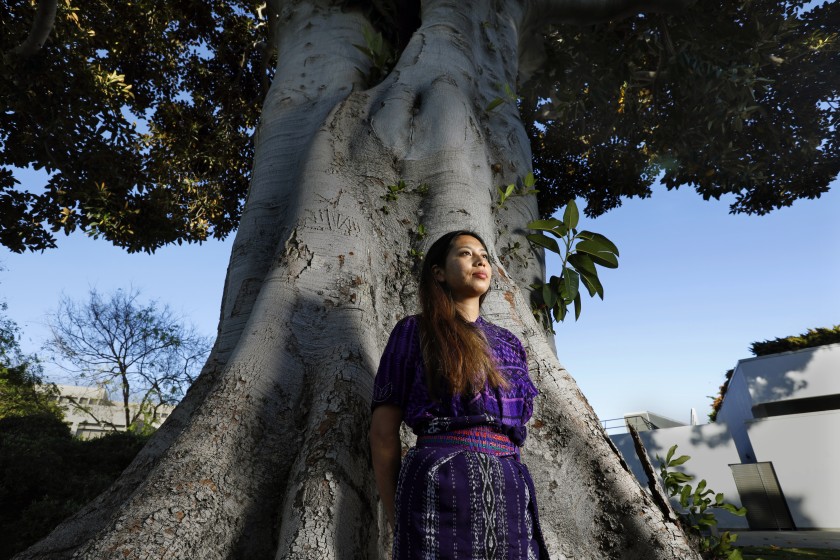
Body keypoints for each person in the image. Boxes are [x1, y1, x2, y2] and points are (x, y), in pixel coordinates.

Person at [369, 230, 549, 559]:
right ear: (438, 272)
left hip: (509, 485)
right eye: (466, 254)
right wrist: (397, 513)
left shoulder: (509, 342)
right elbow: (383, 432)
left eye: (484, 255)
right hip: (440, 483)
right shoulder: (415, 331)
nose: (480, 260)